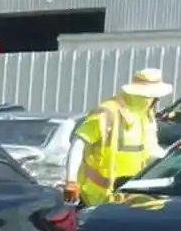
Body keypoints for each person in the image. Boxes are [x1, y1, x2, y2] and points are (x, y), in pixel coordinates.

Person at [65, 67, 173, 206]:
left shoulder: (146, 115)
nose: (157, 101)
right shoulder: (108, 112)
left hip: (131, 195)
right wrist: (71, 181)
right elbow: (79, 142)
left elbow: (151, 150)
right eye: (155, 97)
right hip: (97, 196)